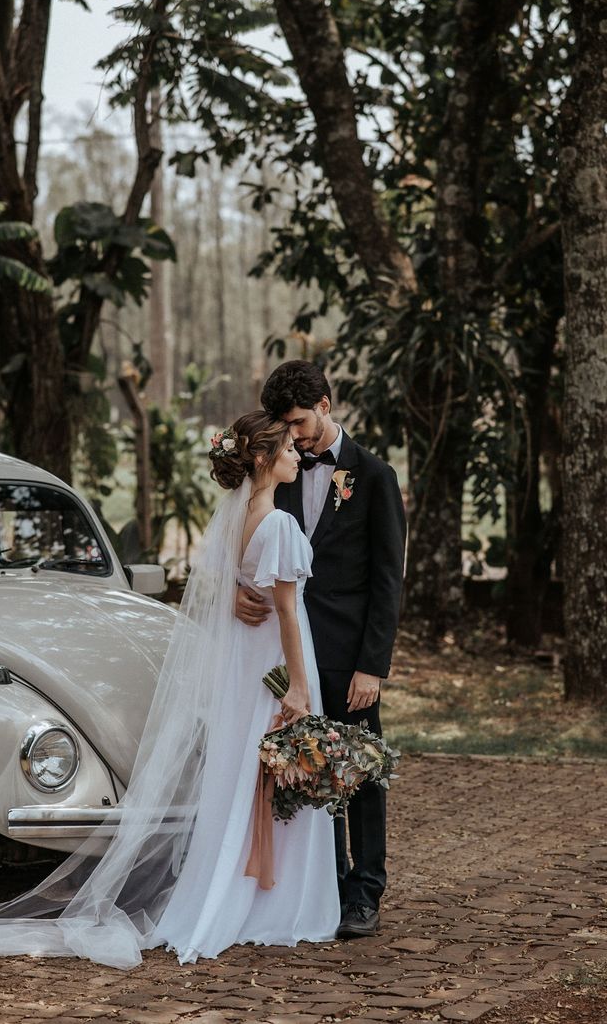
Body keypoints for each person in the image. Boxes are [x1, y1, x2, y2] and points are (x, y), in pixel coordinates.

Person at [0, 412, 339, 966]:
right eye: (287, 445)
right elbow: (277, 607)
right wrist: (299, 683)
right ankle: (270, 898)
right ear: (264, 456)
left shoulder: (242, 521)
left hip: (250, 667)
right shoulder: (273, 522)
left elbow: (222, 586)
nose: (296, 452)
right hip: (273, 664)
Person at [236, 362, 406, 939]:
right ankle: (326, 887)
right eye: (287, 426)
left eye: (301, 422)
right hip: (288, 655)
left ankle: (366, 890)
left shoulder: (375, 476)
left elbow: (388, 579)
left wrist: (372, 666)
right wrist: (242, 593)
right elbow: (255, 551)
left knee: (360, 774)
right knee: (304, 771)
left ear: (326, 406)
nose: (297, 436)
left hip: (347, 654)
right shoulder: (275, 471)